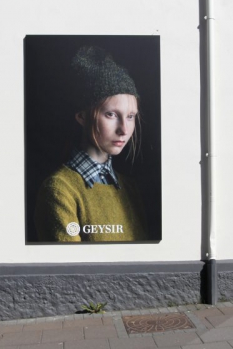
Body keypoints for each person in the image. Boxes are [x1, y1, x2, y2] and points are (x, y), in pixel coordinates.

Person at [34, 46, 148, 242]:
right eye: (111, 114)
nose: (124, 129)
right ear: (82, 116)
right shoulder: (59, 190)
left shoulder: (130, 188)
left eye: (130, 116)